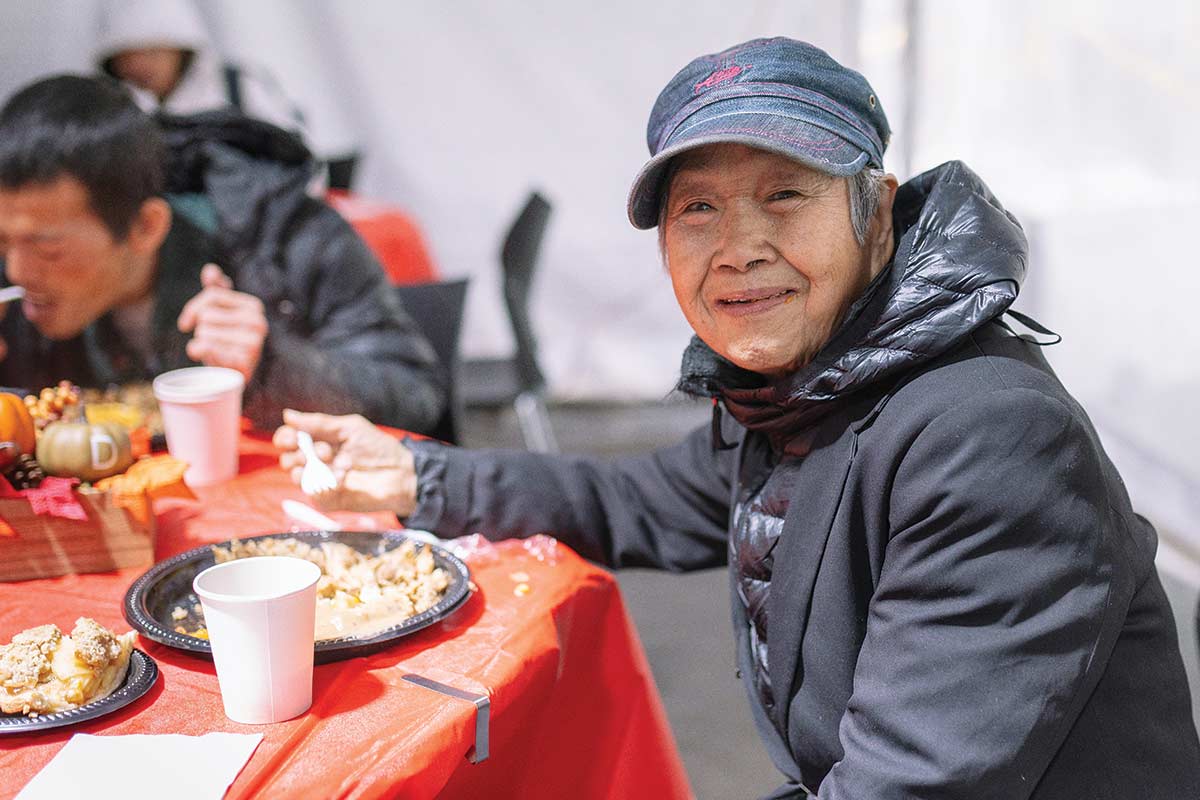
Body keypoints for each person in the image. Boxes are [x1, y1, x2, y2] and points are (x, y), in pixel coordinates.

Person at [274, 38, 1200, 797]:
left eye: (784, 195)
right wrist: (419, 477)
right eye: (699, 209)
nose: (738, 248)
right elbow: (648, 499)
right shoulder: (810, 379)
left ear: (875, 211)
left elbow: (909, 785)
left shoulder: (987, 437)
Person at [0, 74, 445, 433]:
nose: (17, 271)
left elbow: (416, 397)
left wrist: (270, 363)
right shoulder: (18, 282)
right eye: (2, 243)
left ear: (145, 227)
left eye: (49, 249)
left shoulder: (282, 235)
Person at [93, 0, 358, 190]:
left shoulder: (238, 86)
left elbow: (301, 161)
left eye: (152, 52)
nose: (139, 66)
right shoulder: (120, 111)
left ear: (180, 48)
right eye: (126, 56)